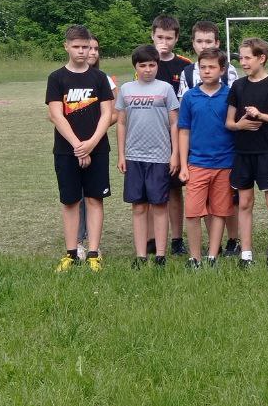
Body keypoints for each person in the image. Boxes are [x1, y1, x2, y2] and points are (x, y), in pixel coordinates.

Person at [46, 25, 114, 272]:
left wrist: (91, 143)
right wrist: (78, 146)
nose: (82, 51)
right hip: (67, 151)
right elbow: (56, 114)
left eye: (85, 47)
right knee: (70, 201)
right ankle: (71, 253)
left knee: (95, 199)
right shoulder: (56, 78)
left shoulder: (99, 78)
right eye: (76, 46)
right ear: (66, 46)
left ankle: (94, 253)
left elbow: (107, 113)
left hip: (97, 148)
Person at [225, 38, 268, 269]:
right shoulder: (238, 86)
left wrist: (261, 115)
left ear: (261, 58)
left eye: (248, 58)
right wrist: (240, 125)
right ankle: (246, 254)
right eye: (241, 58)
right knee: (244, 203)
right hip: (243, 152)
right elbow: (229, 123)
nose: (243, 62)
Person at [177, 20, 241, 257]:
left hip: (225, 163)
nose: (207, 71)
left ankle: (213, 254)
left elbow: (236, 126)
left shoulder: (231, 95)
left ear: (222, 70)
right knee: (193, 212)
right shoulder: (190, 97)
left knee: (220, 211)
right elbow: (184, 131)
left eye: (212, 67)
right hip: (197, 163)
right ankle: (195, 256)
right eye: (203, 67)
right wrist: (184, 165)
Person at [115, 44, 180, 268]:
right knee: (139, 207)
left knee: (160, 206)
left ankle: (160, 255)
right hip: (134, 157)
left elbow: (175, 123)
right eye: (143, 65)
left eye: (152, 65)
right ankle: (141, 255)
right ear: (135, 66)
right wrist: (121, 154)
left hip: (160, 157)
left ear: (157, 66)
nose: (148, 69)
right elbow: (121, 123)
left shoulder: (166, 89)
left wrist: (175, 154)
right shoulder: (126, 89)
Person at [151, 14, 192, 256]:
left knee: (175, 188)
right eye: (159, 37)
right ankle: (151, 239)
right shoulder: (147, 61)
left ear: (176, 39)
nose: (163, 42)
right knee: (151, 189)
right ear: (152, 36)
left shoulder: (185, 65)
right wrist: (155, 58)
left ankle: (177, 239)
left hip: (176, 133)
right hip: (151, 134)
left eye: (168, 38)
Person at [75, 34, 117, 261]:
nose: (91, 52)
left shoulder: (104, 79)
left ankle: (93, 245)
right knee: (75, 197)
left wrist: (93, 136)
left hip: (96, 144)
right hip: (74, 146)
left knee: (93, 196)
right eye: (87, 48)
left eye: (95, 49)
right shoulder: (66, 77)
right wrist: (79, 141)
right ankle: (77, 242)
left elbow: (114, 113)